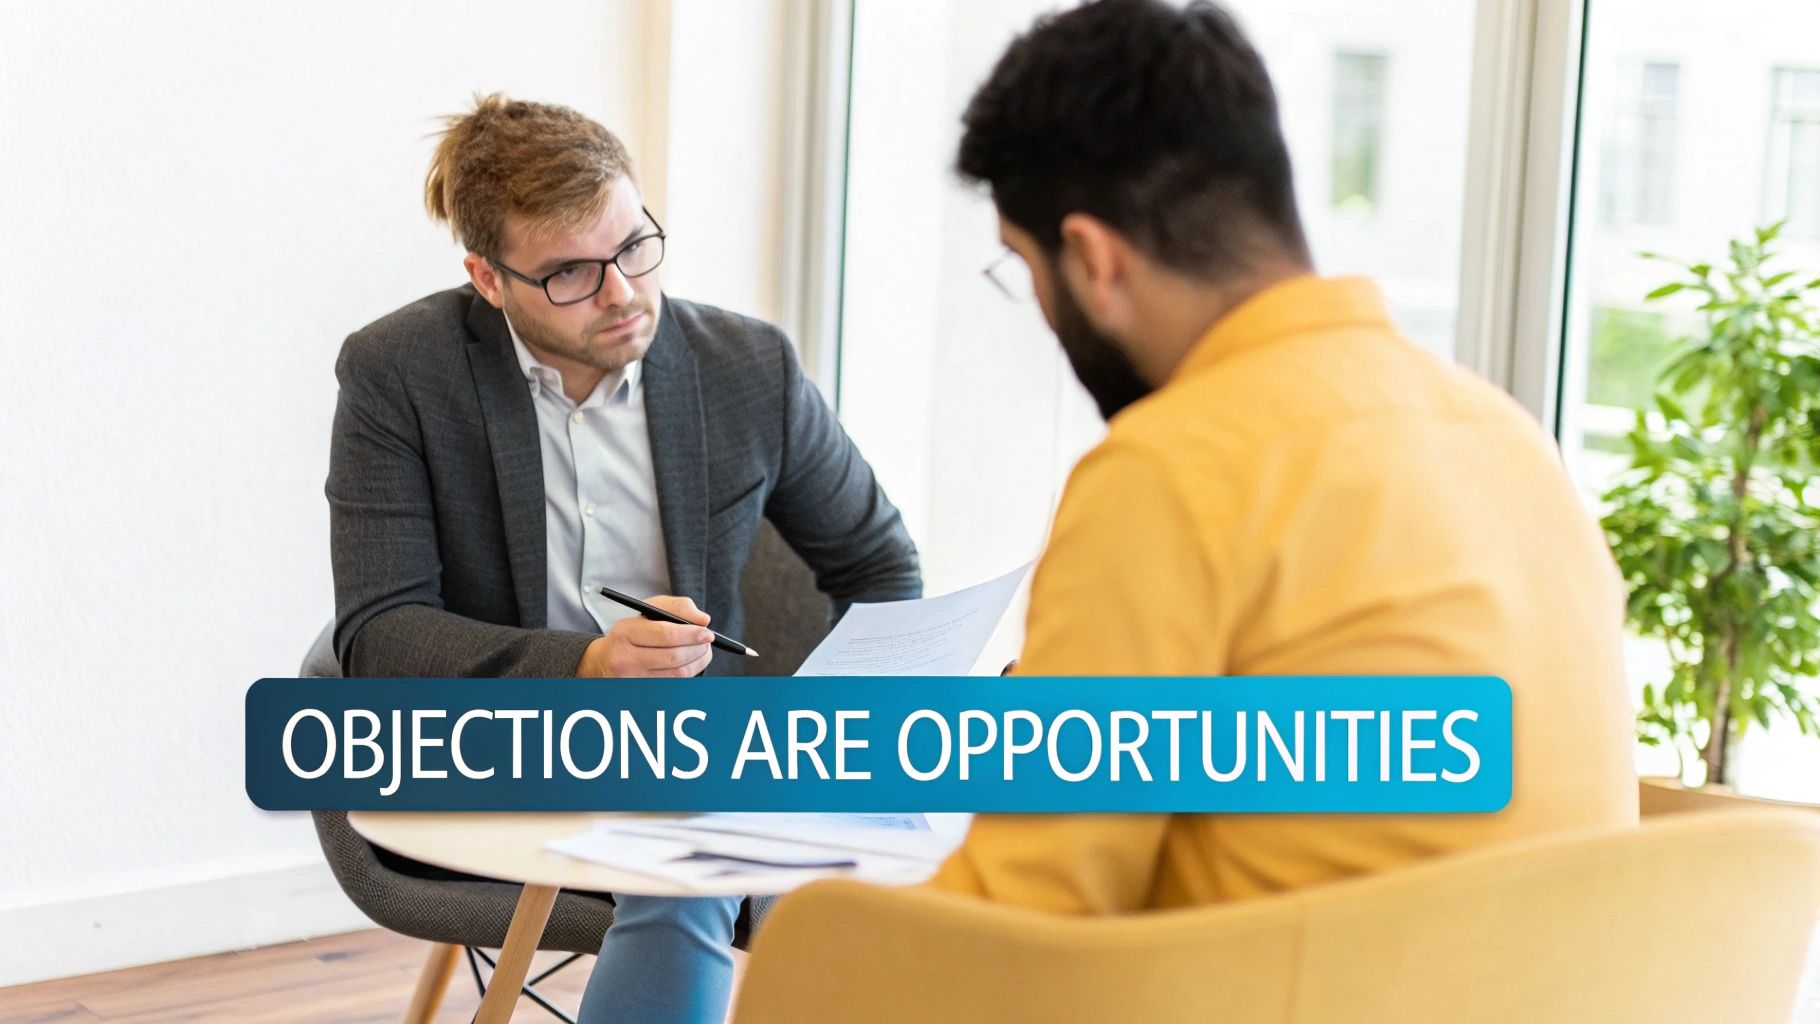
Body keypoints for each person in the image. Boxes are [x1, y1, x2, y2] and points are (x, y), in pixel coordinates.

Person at [926, 0, 1636, 913]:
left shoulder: (1170, 471)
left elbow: (1020, 921)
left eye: (1025, 272)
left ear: (1093, 261)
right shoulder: (1506, 439)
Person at [326, 94, 919, 1024]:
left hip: (704, 748)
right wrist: (589, 664)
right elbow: (378, 636)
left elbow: (882, 569)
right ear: (488, 278)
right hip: (501, 742)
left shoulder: (747, 366)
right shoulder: (399, 373)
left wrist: (830, 720)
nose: (624, 292)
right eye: (571, 273)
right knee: (694, 844)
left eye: (636, 246)